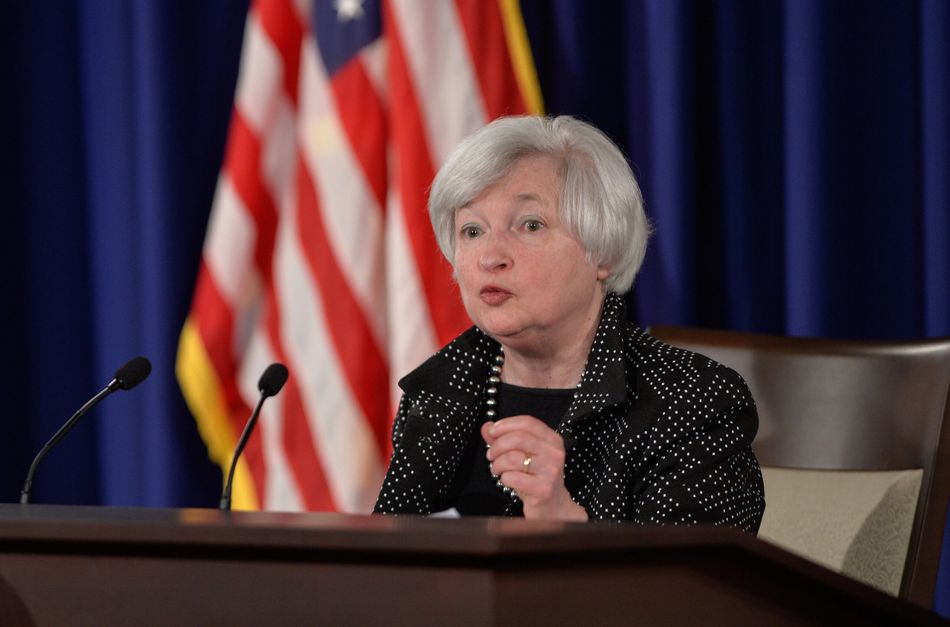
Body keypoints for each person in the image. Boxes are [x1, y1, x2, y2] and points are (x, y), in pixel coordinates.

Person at [374, 115, 764, 531]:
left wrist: (562, 516)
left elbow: (694, 587)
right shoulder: (439, 391)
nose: (490, 257)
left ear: (603, 252)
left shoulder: (692, 401)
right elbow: (386, 567)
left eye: (530, 225)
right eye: (472, 230)